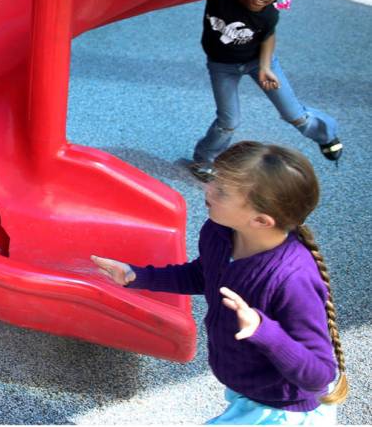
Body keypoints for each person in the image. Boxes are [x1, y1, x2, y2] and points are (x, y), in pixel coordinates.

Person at [93, 141, 348, 424]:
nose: (207, 188)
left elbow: (319, 375)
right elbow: (204, 275)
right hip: (250, 389)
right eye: (214, 177)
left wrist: (264, 330)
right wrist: (137, 276)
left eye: (222, 191)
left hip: (282, 410)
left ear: (261, 220)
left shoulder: (292, 279)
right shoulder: (219, 232)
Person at [192, 0, 341, 179]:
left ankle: (326, 135)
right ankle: (204, 160)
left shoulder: (269, 14)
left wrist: (264, 67)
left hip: (259, 62)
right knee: (229, 122)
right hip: (222, 66)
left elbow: (268, 37)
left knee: (294, 115)